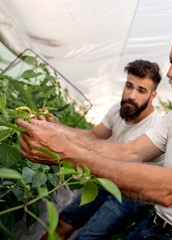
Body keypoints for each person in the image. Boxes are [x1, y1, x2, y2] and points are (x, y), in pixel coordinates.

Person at [17, 21, 172, 240]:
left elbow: (170, 187)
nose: (170, 72)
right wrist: (57, 132)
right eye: (171, 61)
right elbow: (131, 152)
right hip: (156, 223)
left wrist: (65, 152)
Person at [40, 59, 164, 240]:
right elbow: (94, 136)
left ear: (152, 96)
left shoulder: (154, 128)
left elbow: (116, 157)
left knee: (85, 238)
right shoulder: (121, 108)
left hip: (132, 195)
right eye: (129, 86)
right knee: (63, 222)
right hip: (107, 178)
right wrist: (57, 126)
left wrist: (60, 140)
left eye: (141, 90)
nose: (131, 95)